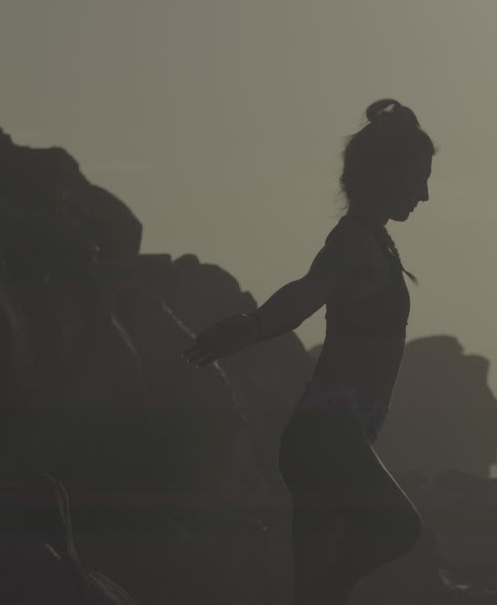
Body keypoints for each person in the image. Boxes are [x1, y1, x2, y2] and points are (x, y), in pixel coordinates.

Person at [182, 98, 435, 604]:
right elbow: (306, 292)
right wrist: (253, 324)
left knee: (313, 589)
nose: (425, 194)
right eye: (418, 179)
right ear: (385, 175)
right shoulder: (354, 242)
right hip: (326, 435)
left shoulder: (376, 241)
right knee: (398, 528)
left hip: (333, 436)